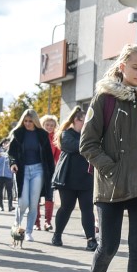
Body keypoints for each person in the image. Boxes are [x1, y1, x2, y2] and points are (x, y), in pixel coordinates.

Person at [80, 44, 137, 272]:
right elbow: (87, 144)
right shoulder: (105, 98)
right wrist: (112, 169)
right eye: (135, 67)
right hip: (110, 185)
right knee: (108, 245)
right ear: (122, 66)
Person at [49, 106, 97, 250]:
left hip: (86, 178)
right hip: (68, 179)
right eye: (84, 121)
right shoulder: (66, 134)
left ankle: (91, 240)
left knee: (87, 209)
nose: (86, 123)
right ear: (76, 120)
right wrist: (90, 144)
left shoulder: (89, 135)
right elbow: (77, 147)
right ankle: (57, 235)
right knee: (66, 208)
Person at [7, 109, 55, 242]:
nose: (27, 123)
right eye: (25, 121)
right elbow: (11, 153)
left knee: (34, 203)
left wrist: (52, 175)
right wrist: (13, 163)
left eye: (30, 121)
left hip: (38, 171)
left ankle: (28, 232)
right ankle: (16, 226)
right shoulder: (17, 134)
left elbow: (49, 157)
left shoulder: (43, 135)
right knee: (23, 202)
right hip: (22, 171)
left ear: (35, 121)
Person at [35, 116, 61, 230]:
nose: (49, 127)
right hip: (36, 170)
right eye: (47, 125)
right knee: (35, 197)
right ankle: (36, 222)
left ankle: (47, 222)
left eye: (52, 125)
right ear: (42, 125)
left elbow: (58, 157)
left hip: (50, 172)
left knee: (49, 196)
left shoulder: (56, 138)